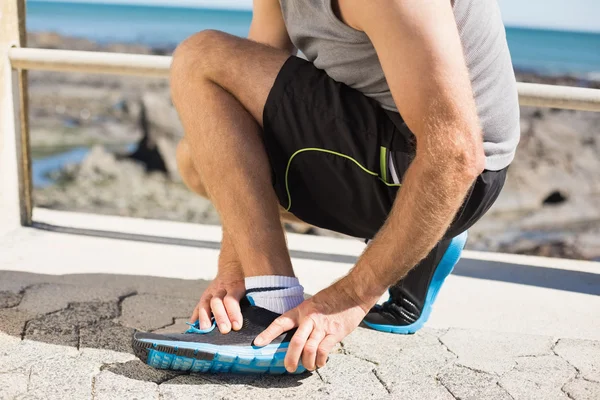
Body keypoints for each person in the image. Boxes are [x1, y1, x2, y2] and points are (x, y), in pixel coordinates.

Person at [132, 0, 520, 374]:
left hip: (445, 172)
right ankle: (425, 237)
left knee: (201, 54)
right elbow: (242, 120)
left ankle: (270, 309)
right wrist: (237, 270)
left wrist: (349, 299)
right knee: (197, 158)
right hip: (415, 168)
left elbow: (456, 155)